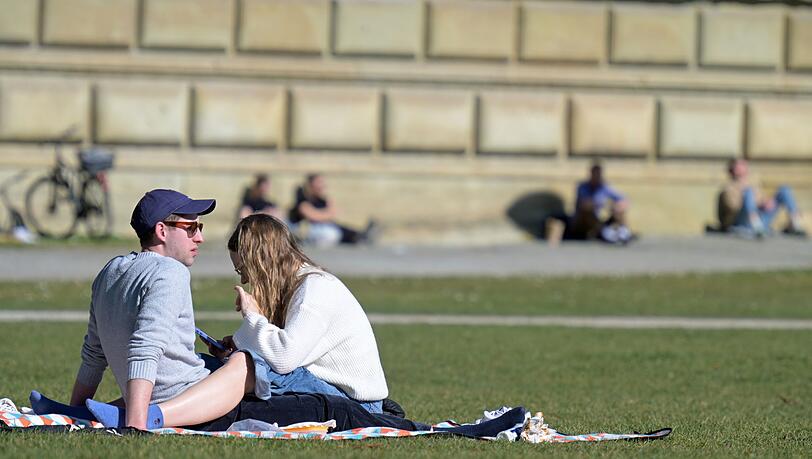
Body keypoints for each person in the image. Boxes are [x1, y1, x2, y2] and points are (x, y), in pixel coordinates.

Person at [79, 213, 391, 429]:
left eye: (244, 269)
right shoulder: (299, 287)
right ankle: (115, 410)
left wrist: (252, 318)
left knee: (244, 365)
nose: (243, 279)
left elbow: (285, 357)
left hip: (355, 403)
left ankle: (146, 415)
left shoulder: (316, 288)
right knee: (205, 367)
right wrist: (236, 345)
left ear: (261, 261)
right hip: (317, 383)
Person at [544, 162, 633, 245]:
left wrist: (616, 206)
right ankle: (603, 232)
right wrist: (602, 205)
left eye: (598, 174)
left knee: (618, 208)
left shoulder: (605, 187)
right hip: (580, 221)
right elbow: (585, 203)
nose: (596, 176)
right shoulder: (582, 187)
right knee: (588, 208)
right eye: (595, 174)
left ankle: (623, 232)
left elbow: (623, 199)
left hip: (597, 218)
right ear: (590, 174)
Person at [718, 159, 806, 238]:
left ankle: (795, 222)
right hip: (741, 222)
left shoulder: (753, 185)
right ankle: (755, 224)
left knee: (784, 189)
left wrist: (767, 202)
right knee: (748, 192)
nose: (743, 168)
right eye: (740, 166)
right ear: (733, 170)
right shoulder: (728, 189)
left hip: (760, 219)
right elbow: (734, 209)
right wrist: (758, 204)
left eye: (744, 165)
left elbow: (762, 200)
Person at [288, 173, 376, 246]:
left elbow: (333, 212)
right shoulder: (303, 201)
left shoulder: (322, 200)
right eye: (319, 183)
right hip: (309, 232)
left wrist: (327, 207)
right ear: (310, 185)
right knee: (332, 233)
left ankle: (360, 236)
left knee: (338, 228)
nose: (322, 186)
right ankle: (359, 237)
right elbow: (316, 217)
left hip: (325, 228)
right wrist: (327, 214)